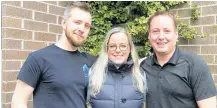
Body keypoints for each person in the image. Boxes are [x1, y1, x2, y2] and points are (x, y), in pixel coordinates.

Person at [11, 2, 96, 108]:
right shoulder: (39, 58)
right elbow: (18, 102)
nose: (82, 29)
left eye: (87, 26)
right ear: (64, 23)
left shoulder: (89, 61)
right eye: (77, 22)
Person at [140, 11, 217, 108]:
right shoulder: (143, 66)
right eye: (155, 31)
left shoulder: (195, 64)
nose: (161, 37)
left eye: (167, 31)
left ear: (176, 35)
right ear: (149, 35)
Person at [87, 27, 147, 108]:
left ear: (129, 48)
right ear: (106, 49)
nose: (118, 50)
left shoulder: (140, 74)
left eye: (123, 46)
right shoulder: (93, 73)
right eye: (112, 46)